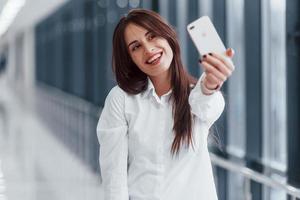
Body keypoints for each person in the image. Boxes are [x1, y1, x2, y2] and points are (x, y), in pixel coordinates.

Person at [96, 9, 235, 200]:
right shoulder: (121, 99)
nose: (148, 49)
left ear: (168, 35)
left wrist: (210, 85)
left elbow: (205, 104)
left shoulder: (199, 94)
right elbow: (114, 177)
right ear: (130, 59)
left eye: (152, 36)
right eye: (136, 47)